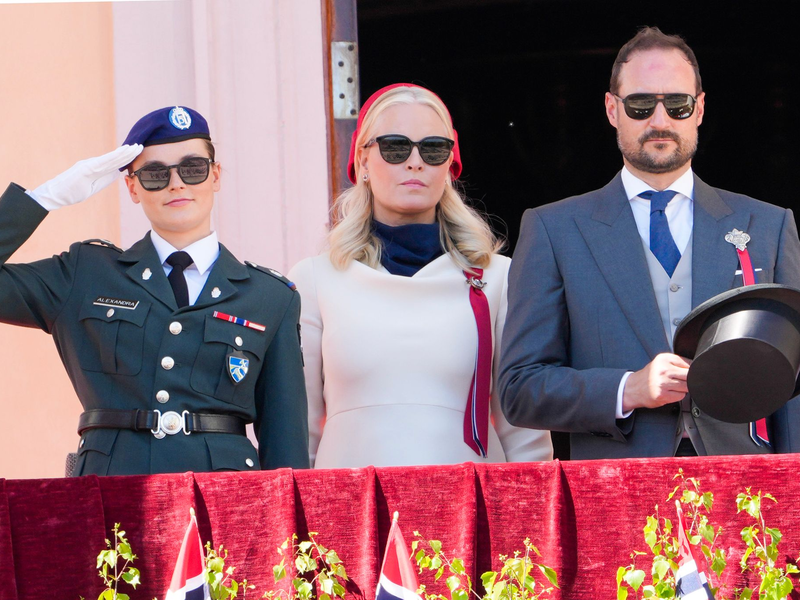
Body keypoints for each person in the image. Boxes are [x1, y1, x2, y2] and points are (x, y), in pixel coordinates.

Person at [498, 27, 800, 459]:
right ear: (612, 109)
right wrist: (628, 389)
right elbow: (520, 388)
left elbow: (793, 381)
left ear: (699, 109)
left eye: (677, 105)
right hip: (615, 483)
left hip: (746, 483)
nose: (660, 121)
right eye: (641, 106)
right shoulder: (553, 229)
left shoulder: (769, 225)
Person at [0, 106, 309, 475]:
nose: (176, 184)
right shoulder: (86, 274)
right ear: (132, 187)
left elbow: (286, 449)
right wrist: (44, 199)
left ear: (215, 176)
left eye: (193, 168)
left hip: (224, 498)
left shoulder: (270, 297)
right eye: (155, 174)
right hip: (112, 493)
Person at [289, 84, 552, 468]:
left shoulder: (498, 278)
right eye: (396, 147)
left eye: (433, 149)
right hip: (349, 500)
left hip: (470, 499)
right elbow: (300, 434)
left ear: (449, 166)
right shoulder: (315, 279)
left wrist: (530, 501)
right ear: (362, 160)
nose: (415, 162)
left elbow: (524, 432)